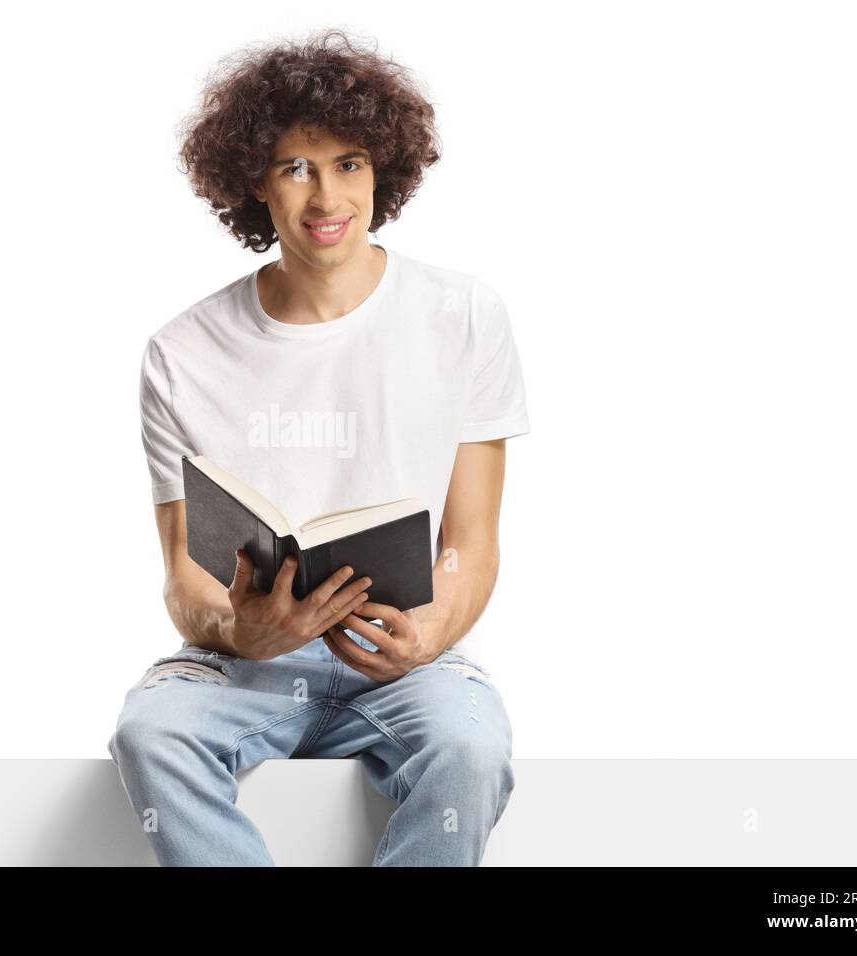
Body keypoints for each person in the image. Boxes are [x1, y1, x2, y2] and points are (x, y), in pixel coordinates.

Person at [107, 29, 532, 866]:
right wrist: (241, 628)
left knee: (471, 751)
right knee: (152, 736)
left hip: (406, 654)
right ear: (254, 185)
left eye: (348, 163)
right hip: (246, 666)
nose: (325, 195)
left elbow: (472, 544)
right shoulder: (180, 352)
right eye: (294, 168)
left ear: (383, 173)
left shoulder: (465, 316)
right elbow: (184, 578)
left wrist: (432, 630)